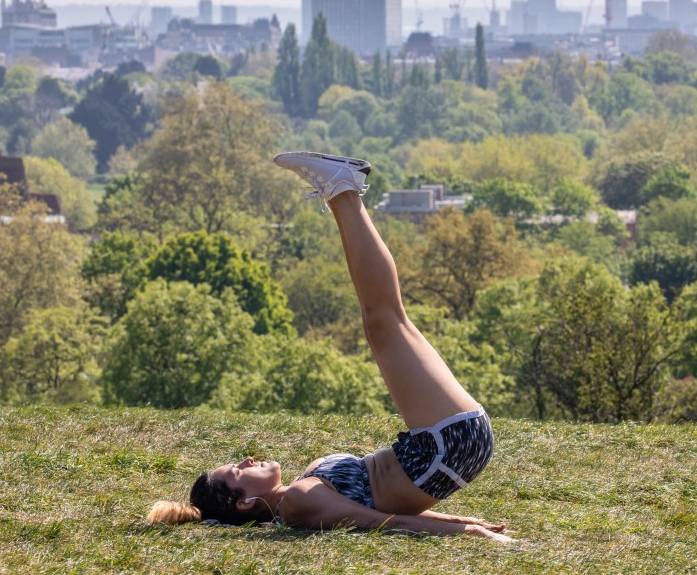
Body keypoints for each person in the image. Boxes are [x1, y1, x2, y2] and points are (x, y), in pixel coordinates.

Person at [148, 152, 512, 543]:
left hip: (447, 446)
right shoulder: (298, 505)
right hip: (444, 446)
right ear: (245, 502)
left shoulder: (302, 490)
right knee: (385, 322)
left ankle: (342, 188)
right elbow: (379, 522)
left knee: (386, 321)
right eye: (237, 471)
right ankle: (342, 187)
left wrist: (463, 522)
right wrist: (467, 531)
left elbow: (386, 509)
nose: (246, 459)